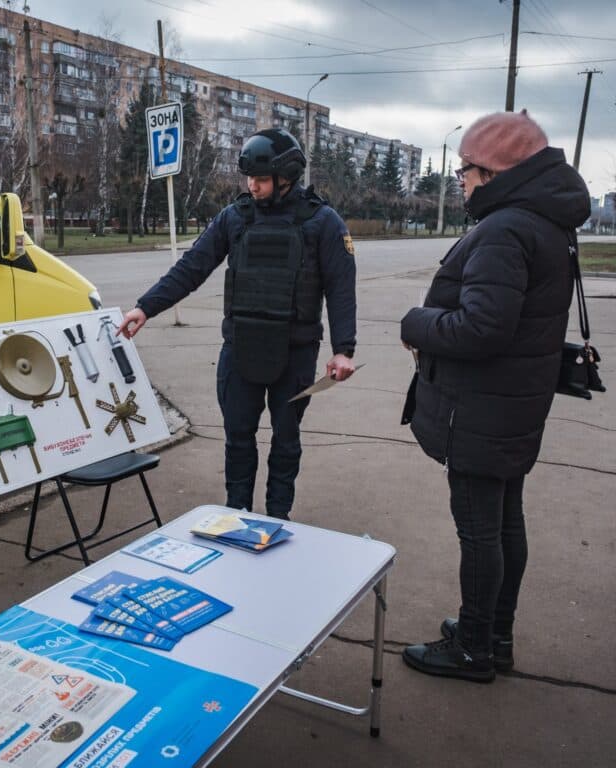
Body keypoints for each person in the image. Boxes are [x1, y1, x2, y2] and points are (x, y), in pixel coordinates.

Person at [399, 110, 590, 683]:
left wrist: (417, 323)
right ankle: (493, 635)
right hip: (512, 403)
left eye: (466, 169)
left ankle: (475, 647)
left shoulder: (507, 228)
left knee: (481, 531)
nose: (459, 178)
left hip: (482, 408)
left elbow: (482, 329)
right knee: (505, 522)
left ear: (495, 171)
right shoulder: (543, 222)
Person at [118, 129, 357, 519]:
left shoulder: (322, 222)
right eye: (249, 178)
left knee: (286, 442)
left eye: (260, 180)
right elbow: (192, 267)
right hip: (241, 350)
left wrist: (344, 349)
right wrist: (146, 307)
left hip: (294, 354)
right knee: (238, 440)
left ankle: (279, 519)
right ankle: (238, 515)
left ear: (287, 177)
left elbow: (341, 288)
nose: (252, 186)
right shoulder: (235, 217)